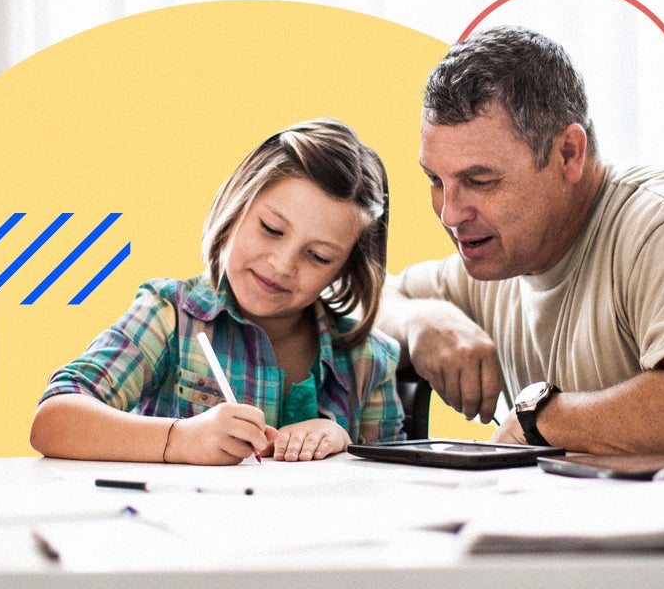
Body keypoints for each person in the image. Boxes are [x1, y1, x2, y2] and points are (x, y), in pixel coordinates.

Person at [378, 25, 664, 457]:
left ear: (568, 154)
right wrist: (420, 316)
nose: (450, 212)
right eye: (435, 180)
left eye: (480, 181)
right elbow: (357, 295)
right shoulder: (498, 255)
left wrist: (539, 420)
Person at [30, 119, 403, 464]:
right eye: (271, 229)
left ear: (347, 268)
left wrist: (341, 441)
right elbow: (53, 420)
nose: (282, 265)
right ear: (235, 207)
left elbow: (396, 486)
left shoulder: (369, 359)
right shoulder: (170, 316)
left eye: (318, 256)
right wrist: (179, 439)